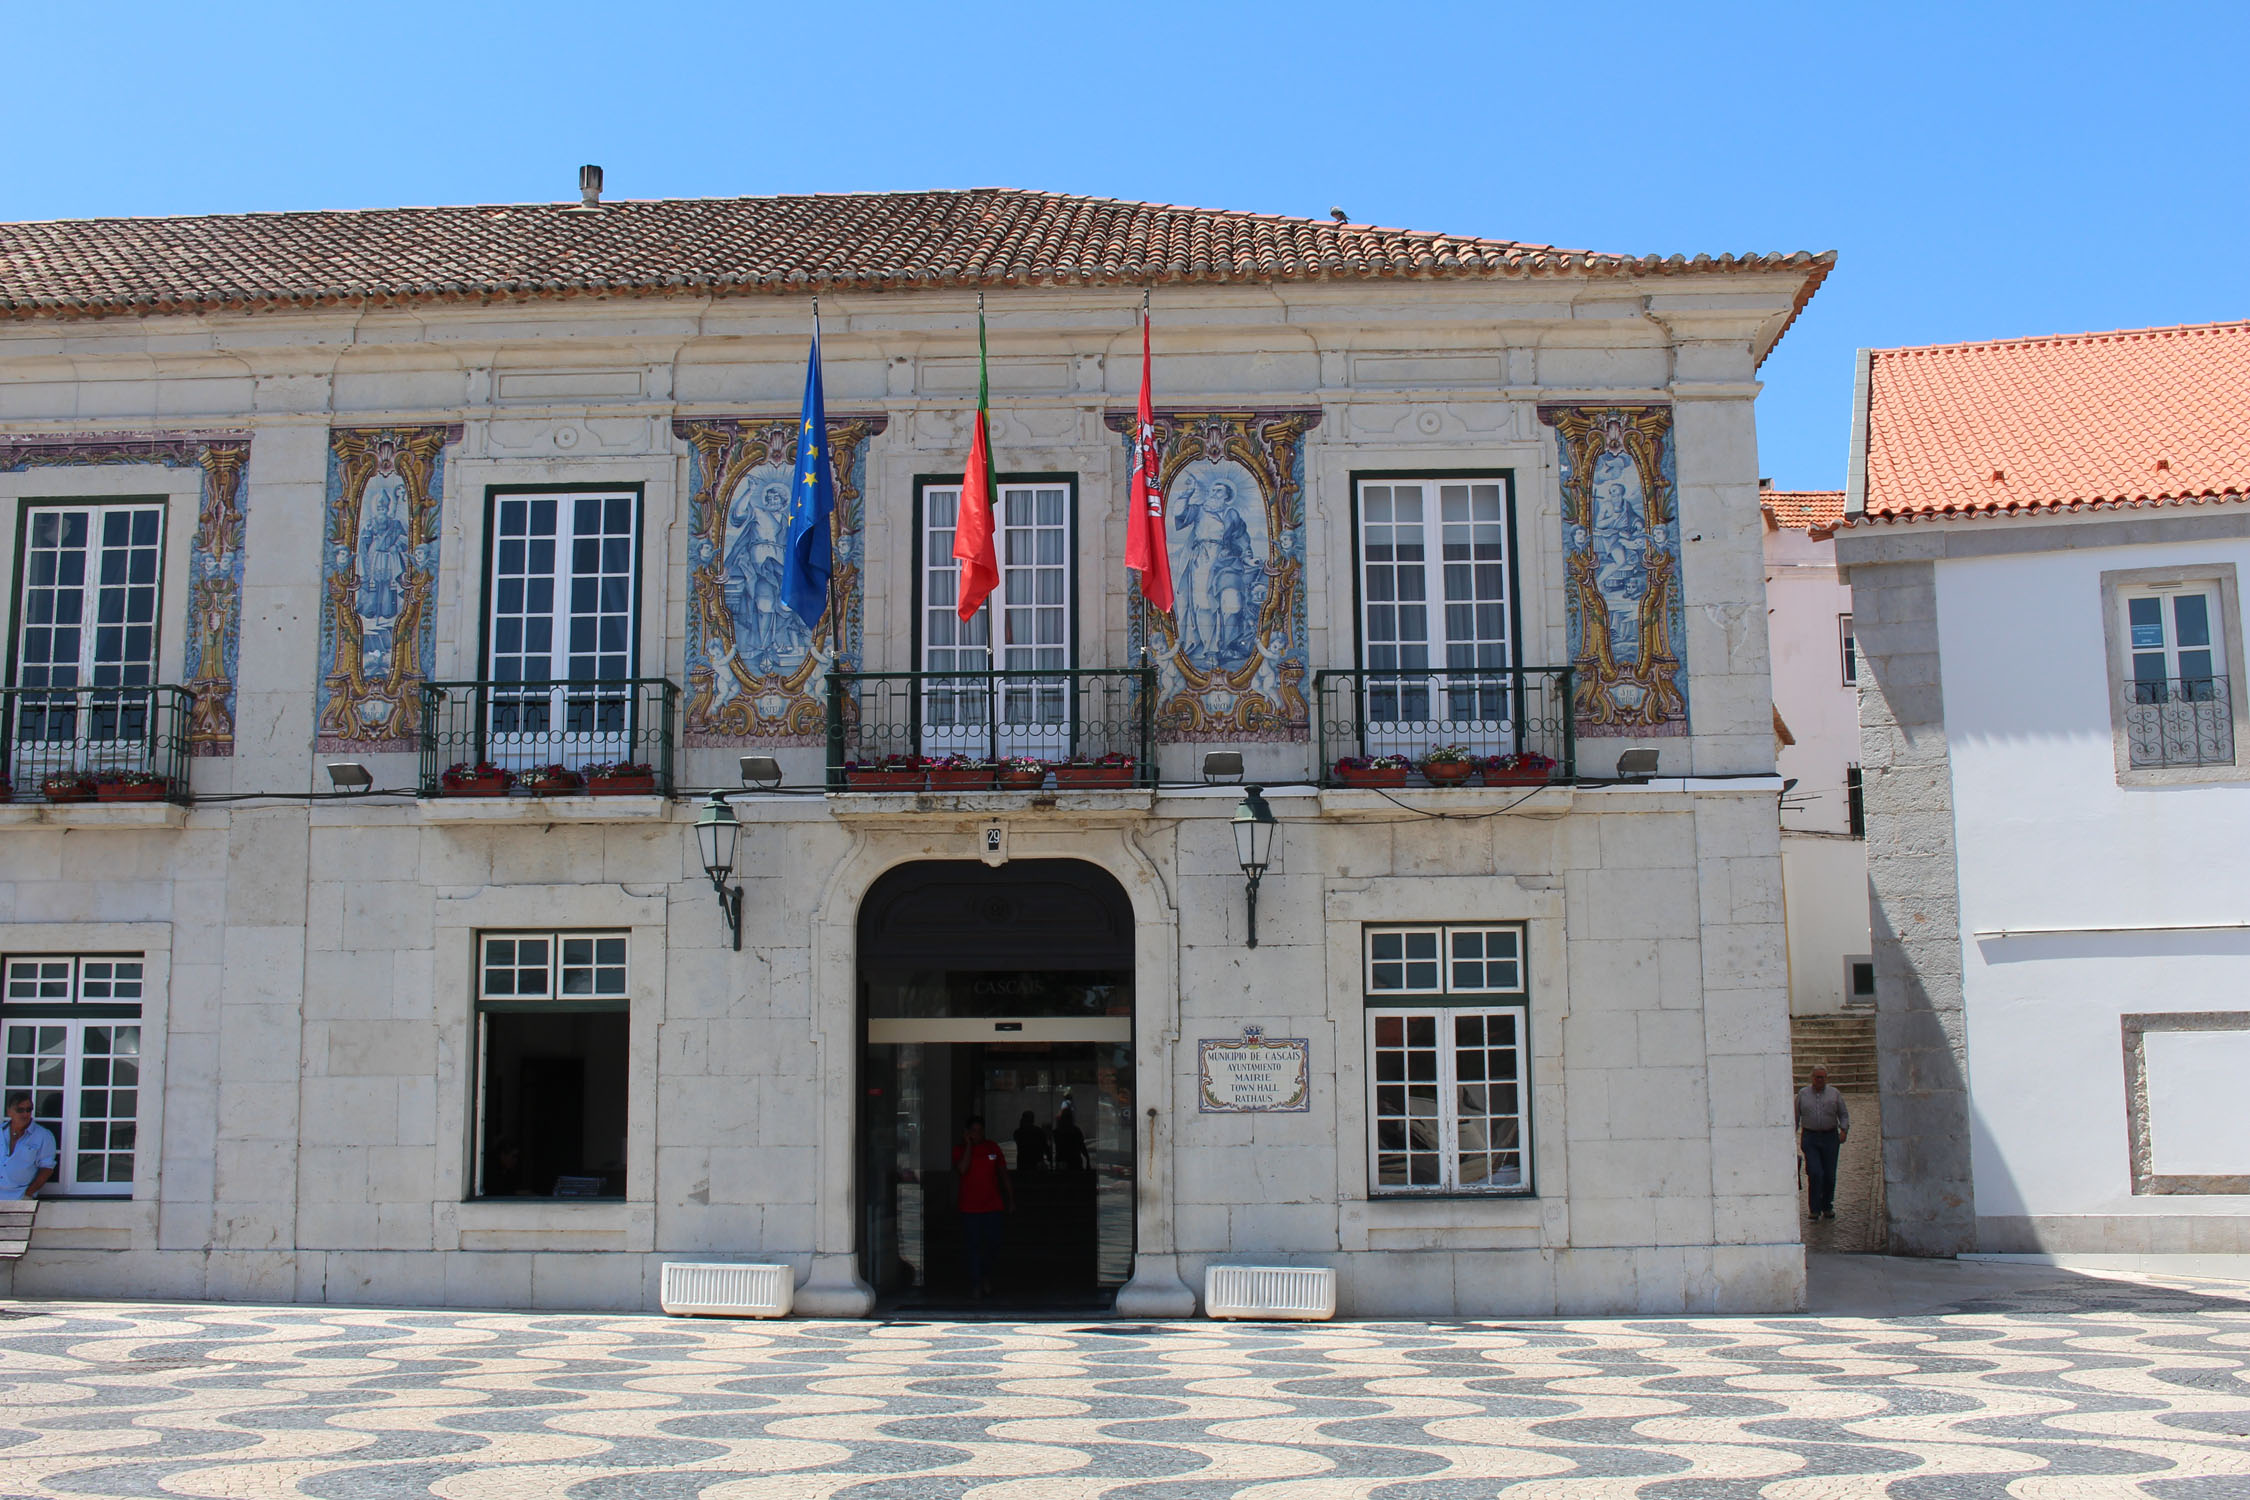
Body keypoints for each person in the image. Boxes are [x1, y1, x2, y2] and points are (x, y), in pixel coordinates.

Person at [951, 1115, 1012, 1297]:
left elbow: (1003, 1173)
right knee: (974, 1247)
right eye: (974, 1131)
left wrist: (1011, 1198)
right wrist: (969, 1145)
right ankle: (977, 1282)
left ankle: (985, 1275)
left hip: (993, 1206)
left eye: (980, 1130)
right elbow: (962, 1169)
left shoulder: (993, 1148)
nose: (978, 1134)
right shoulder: (959, 1150)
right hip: (970, 1208)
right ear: (968, 1133)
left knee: (993, 1245)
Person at [1794, 1065, 1851, 1222]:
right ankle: (1814, 1208)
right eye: (1817, 1077)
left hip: (1830, 1137)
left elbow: (1843, 1114)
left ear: (1826, 1078)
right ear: (1812, 1078)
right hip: (1810, 1137)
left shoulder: (1835, 1094)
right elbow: (1795, 1116)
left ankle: (1827, 1205)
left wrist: (1844, 1130)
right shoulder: (1803, 1095)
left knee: (1829, 1174)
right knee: (1815, 1172)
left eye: (1822, 1077)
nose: (1819, 1080)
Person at [2, 1093, 57, 1201]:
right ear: (9, 1112)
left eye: (29, 1110)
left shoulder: (44, 1135)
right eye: (20, 1110)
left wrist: (28, 1194)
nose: (25, 1114)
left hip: (19, 1197)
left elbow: (47, 1168)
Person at [1051, 1106, 1088, 1173]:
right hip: (1075, 1162)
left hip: (1062, 1163)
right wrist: (1087, 1160)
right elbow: (1082, 1147)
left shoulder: (1056, 1133)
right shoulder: (1076, 1131)